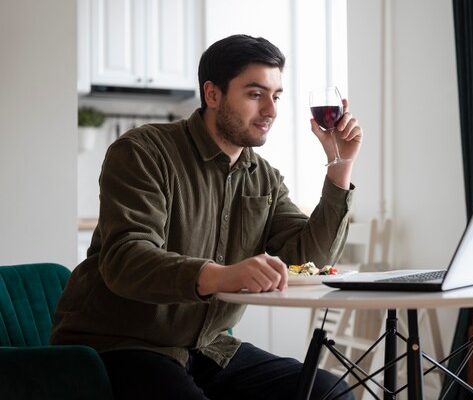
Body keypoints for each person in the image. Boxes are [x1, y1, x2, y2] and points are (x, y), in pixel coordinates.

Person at [51, 34, 362, 400]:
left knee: (327, 390)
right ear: (212, 94)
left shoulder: (263, 176)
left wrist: (339, 167)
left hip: (207, 348)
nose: (271, 111)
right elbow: (126, 259)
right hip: (120, 344)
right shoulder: (142, 152)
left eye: (276, 96)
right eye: (255, 94)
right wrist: (222, 276)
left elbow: (307, 260)